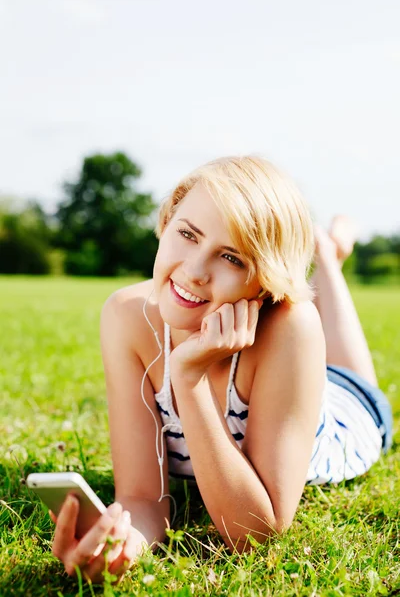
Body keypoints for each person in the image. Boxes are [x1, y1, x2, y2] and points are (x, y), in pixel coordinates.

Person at [50, 156, 393, 583]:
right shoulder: (126, 315)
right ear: (168, 219)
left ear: (265, 280)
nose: (194, 272)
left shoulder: (292, 325)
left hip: (348, 411)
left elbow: (255, 533)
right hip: (292, 381)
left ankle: (326, 254)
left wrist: (189, 380)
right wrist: (120, 548)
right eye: (187, 234)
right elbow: (141, 497)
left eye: (231, 257)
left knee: (357, 377)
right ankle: (323, 250)